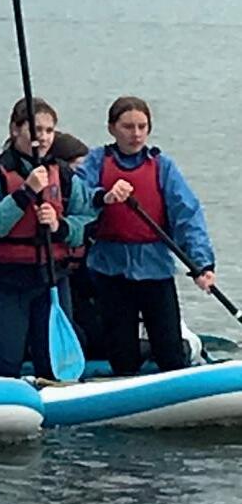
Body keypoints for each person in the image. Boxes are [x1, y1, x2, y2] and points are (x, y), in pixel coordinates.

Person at [76, 96, 216, 375]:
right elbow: (77, 195)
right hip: (110, 270)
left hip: (155, 269)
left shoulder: (163, 167)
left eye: (142, 127)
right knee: (122, 354)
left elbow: (187, 215)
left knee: (169, 351)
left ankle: (176, 382)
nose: (136, 134)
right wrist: (103, 196)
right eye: (128, 127)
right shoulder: (96, 162)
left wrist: (202, 264)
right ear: (112, 128)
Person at [0, 98, 97, 379]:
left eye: (49, 131)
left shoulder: (63, 175)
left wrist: (60, 226)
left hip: (50, 278)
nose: (44, 137)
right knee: (4, 364)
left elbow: (87, 219)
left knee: (54, 368)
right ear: (15, 130)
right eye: (36, 130)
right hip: (5, 279)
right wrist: (25, 192)